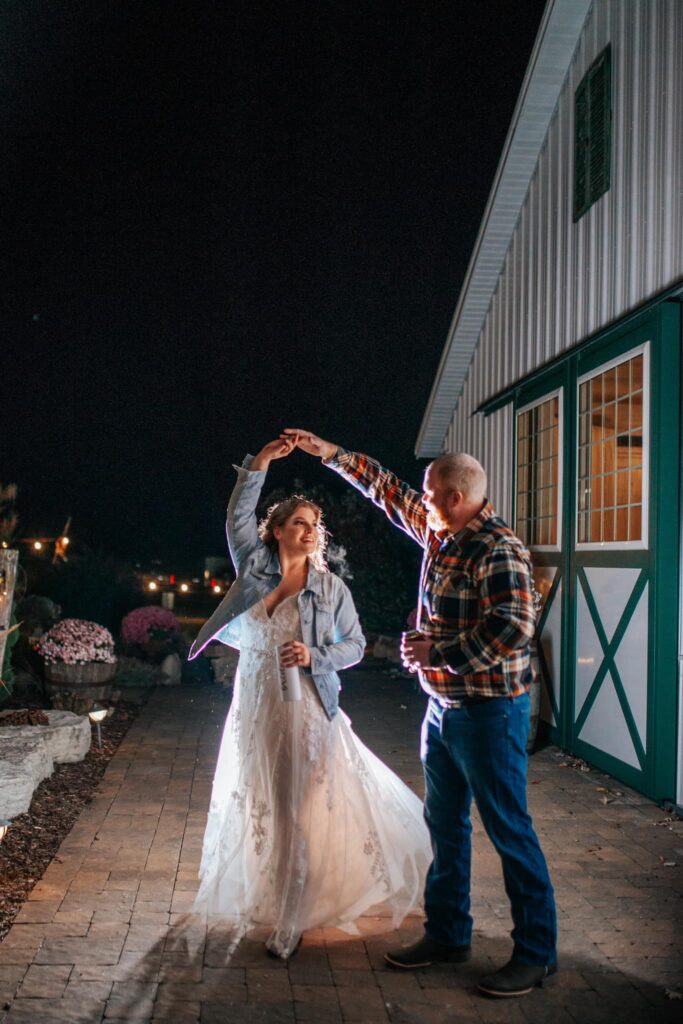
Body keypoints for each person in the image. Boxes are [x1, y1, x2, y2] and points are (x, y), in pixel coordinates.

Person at [285, 429, 557, 998]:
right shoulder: (441, 530)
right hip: (442, 712)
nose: (421, 501)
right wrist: (331, 454)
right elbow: (387, 490)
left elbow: (515, 627)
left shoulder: (497, 548)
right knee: (445, 828)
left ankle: (536, 953)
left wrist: (443, 654)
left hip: (490, 712)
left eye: (431, 494)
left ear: (457, 496)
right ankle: (449, 935)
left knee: (510, 830)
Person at [188, 437, 431, 960]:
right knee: (263, 800)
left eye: (314, 523)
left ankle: (291, 918)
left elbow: (357, 647)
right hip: (254, 704)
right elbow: (236, 517)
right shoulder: (254, 569)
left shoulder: (331, 589)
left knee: (295, 806)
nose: (309, 529)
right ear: (276, 531)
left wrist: (313, 656)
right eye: (299, 521)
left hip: (307, 709)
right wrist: (259, 463)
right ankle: (273, 893)